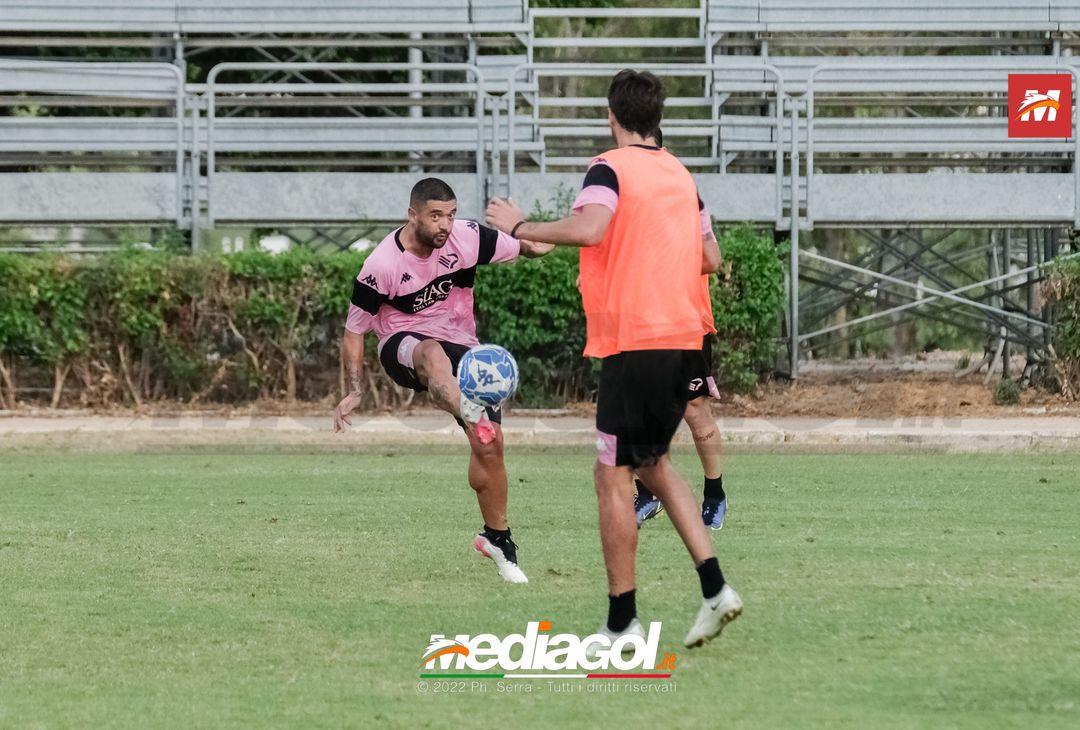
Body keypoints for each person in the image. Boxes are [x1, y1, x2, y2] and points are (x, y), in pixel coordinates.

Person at [486, 70, 742, 648]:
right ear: (659, 118)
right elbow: (710, 257)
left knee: (611, 476)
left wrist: (521, 225)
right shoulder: (681, 176)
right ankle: (714, 589)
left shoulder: (610, 167)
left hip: (636, 340)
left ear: (612, 116)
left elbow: (592, 228)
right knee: (653, 464)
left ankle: (622, 621)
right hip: (683, 338)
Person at [334, 177, 551, 584]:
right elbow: (354, 332)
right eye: (435, 216)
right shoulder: (382, 265)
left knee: (490, 447)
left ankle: (497, 539)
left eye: (450, 215)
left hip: (463, 346)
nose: (445, 225)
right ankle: (470, 411)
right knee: (431, 352)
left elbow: (534, 247)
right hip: (403, 345)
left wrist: (532, 228)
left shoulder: (467, 237)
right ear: (412, 214)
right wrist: (355, 390)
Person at [633, 127, 728, 531]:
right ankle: (646, 493)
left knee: (693, 410)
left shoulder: (680, 190)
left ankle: (714, 493)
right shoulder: (625, 195)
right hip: (640, 319)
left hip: (685, 319)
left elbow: (710, 258)